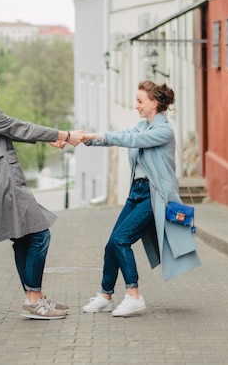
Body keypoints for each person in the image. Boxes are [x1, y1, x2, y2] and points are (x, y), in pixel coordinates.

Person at [0, 56, 84, 320]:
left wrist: (48, 140)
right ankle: (34, 300)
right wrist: (64, 136)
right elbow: (20, 127)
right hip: (3, 184)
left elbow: (6, 133)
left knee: (23, 237)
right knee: (39, 235)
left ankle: (35, 298)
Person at [81, 80, 201, 317]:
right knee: (112, 243)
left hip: (155, 196)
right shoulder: (140, 126)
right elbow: (122, 135)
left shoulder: (163, 130)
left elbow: (132, 141)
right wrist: (84, 138)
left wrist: (98, 135)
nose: (136, 105)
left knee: (121, 240)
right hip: (136, 193)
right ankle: (105, 296)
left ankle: (133, 296)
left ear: (154, 103)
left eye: (140, 101)